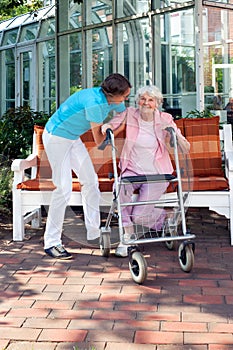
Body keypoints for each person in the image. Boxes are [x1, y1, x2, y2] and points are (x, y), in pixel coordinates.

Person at [42, 73, 132, 259]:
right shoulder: (94, 104)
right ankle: (52, 242)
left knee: (90, 182)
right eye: (124, 96)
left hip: (72, 138)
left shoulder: (110, 98)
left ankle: (94, 231)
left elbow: (124, 112)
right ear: (113, 95)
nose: (125, 100)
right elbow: (99, 141)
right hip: (56, 137)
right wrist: (110, 128)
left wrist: (115, 123)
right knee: (63, 188)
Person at [102, 85, 190, 257]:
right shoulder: (130, 113)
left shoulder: (165, 118)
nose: (146, 103)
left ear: (157, 103)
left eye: (151, 100)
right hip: (132, 170)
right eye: (143, 99)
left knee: (139, 216)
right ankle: (127, 237)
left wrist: (172, 132)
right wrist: (107, 128)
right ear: (137, 101)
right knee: (119, 189)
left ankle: (164, 218)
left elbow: (185, 147)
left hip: (157, 173)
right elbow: (111, 124)